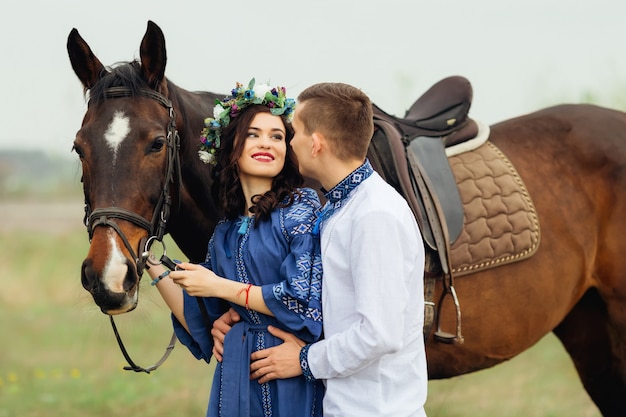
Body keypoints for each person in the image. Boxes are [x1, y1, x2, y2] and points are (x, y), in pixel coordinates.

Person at [244, 82, 429, 416]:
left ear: (316, 144)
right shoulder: (342, 207)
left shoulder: (375, 215)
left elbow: (380, 334)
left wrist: (304, 360)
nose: (290, 141)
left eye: (294, 131)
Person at [145, 78, 325, 417]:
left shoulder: (301, 210)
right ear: (231, 148)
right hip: (236, 376)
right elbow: (202, 316)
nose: (266, 143)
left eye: (277, 136)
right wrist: (149, 260)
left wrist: (219, 286)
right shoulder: (225, 233)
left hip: (288, 374)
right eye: (253, 134)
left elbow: (301, 302)